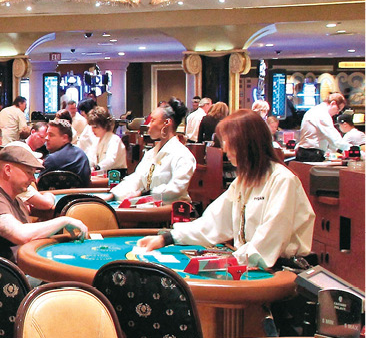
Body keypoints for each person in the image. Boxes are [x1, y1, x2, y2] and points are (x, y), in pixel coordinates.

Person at [138, 109, 315, 270]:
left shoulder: (283, 180)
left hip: (281, 272)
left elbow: (267, 243)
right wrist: (167, 238)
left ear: (245, 143)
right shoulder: (243, 181)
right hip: (249, 264)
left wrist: (216, 264)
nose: (224, 149)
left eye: (227, 142)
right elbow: (212, 223)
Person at [0, 144, 88, 262]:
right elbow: (22, 235)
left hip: (23, 268)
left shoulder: (17, 200)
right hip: (3, 278)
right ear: (8, 170)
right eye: (29, 172)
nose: (33, 179)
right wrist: (63, 221)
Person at [111, 99, 195, 203]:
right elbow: (137, 179)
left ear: (167, 122)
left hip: (170, 213)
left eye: (153, 120)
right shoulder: (151, 153)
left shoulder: (182, 155)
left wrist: (145, 194)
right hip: (148, 207)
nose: (149, 125)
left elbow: (176, 189)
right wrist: (114, 194)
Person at [296, 92, 345, 161]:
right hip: (311, 154)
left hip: (307, 152)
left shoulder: (316, 110)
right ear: (333, 103)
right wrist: (351, 149)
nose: (337, 113)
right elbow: (334, 138)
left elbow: (330, 140)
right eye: (338, 109)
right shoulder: (322, 113)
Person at [43, 118, 92, 186]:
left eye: (51, 135)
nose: (46, 138)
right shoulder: (82, 155)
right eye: (47, 134)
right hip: (82, 196)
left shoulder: (52, 159)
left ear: (65, 138)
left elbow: (39, 185)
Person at [86, 107, 127, 172]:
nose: (92, 130)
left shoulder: (114, 139)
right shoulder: (96, 140)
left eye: (95, 127)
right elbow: (91, 158)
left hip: (115, 175)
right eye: (91, 127)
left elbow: (110, 160)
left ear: (104, 125)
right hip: (101, 174)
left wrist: (97, 168)